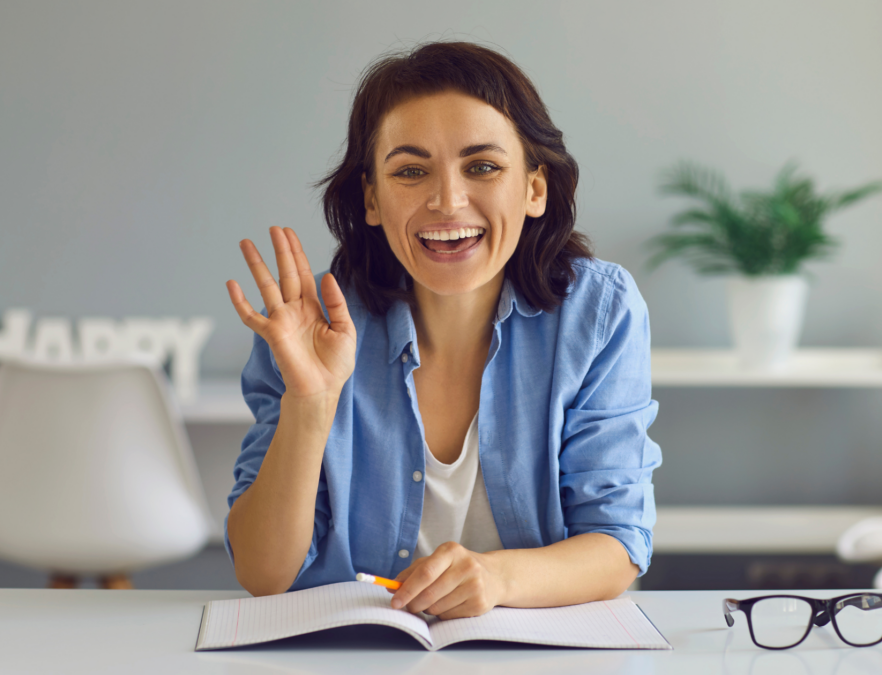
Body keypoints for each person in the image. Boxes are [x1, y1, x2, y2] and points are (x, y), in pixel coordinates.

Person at [224, 41, 661, 620]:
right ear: (373, 199)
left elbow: (618, 546)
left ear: (535, 188)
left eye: (482, 166)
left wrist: (496, 576)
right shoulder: (308, 325)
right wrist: (312, 399)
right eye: (410, 171)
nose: (447, 201)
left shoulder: (597, 312)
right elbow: (263, 575)